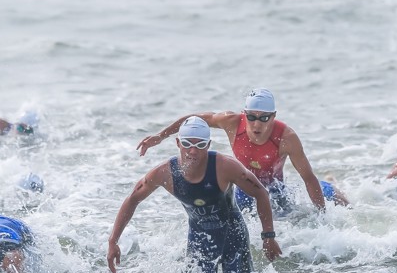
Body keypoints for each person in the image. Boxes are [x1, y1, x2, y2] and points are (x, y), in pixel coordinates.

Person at [110, 117, 282, 273]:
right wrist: (113, 241)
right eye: (187, 144)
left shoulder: (226, 167)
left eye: (200, 145)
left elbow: (261, 193)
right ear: (178, 143)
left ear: (208, 145)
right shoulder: (164, 173)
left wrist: (268, 236)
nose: (193, 151)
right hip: (200, 238)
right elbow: (132, 199)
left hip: (233, 234)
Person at [137, 89, 348, 214]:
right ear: (244, 114)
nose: (258, 124)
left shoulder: (287, 138)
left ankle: (334, 186)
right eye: (252, 117)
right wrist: (161, 135)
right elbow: (194, 120)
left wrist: (322, 218)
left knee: (330, 202)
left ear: (273, 116)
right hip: (244, 189)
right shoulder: (231, 122)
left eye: (264, 117)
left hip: (275, 190)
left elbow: (308, 178)